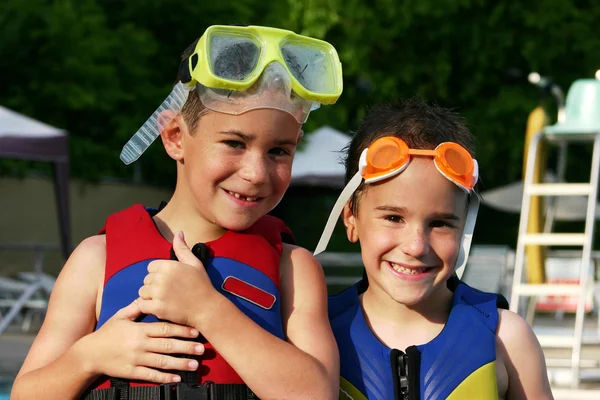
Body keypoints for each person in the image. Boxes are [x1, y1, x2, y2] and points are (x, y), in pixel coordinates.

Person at [12, 25, 343, 400]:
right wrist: (87, 357)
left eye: (279, 151)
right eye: (235, 143)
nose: (256, 173)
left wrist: (208, 311)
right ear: (174, 137)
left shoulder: (293, 269)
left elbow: (316, 394)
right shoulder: (94, 260)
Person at [315, 99, 554, 399]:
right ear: (350, 218)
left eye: (440, 223)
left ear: (465, 226)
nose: (416, 246)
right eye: (393, 218)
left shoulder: (507, 339)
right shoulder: (317, 336)